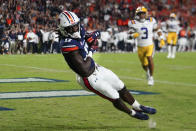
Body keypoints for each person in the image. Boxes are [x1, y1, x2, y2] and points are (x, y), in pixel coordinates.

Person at [57, 10, 156, 120]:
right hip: (87, 78)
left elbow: (88, 37)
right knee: (114, 96)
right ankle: (132, 113)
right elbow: (85, 69)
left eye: (76, 26)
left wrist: (93, 36)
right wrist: (91, 50)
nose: (75, 29)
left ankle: (138, 106)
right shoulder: (67, 45)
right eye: (71, 28)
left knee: (120, 85)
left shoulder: (78, 29)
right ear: (64, 30)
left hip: (95, 67)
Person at [128, 6, 163, 86]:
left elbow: (157, 29)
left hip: (149, 44)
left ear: (146, 13)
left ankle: (151, 77)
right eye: (140, 14)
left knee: (149, 58)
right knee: (144, 64)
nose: (142, 15)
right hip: (140, 46)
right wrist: (133, 35)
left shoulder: (151, 21)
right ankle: (147, 72)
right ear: (137, 14)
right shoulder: (133, 23)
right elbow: (129, 34)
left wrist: (161, 38)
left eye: (143, 13)